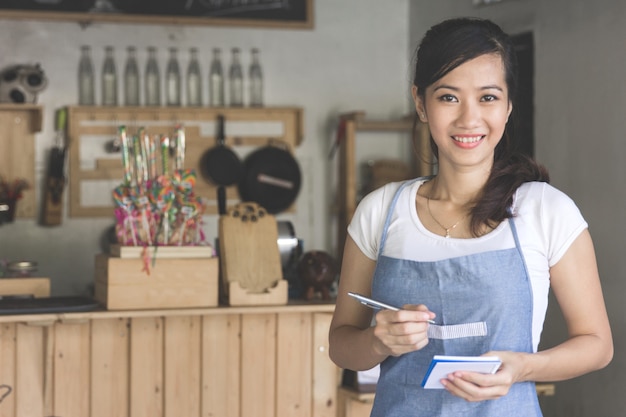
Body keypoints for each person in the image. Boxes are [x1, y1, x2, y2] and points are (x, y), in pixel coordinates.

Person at [328, 17, 613, 417]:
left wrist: (522, 367)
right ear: (420, 103)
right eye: (448, 97)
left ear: (509, 104)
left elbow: (598, 344)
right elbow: (342, 346)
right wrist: (378, 342)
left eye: (488, 97)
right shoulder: (379, 211)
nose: (468, 119)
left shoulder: (546, 210)